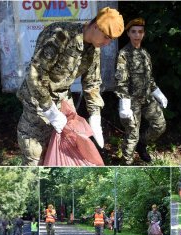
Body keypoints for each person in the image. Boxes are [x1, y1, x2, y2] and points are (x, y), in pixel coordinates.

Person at [16, 7, 124, 165]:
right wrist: (50, 111)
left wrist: (95, 116)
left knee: (71, 149)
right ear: (96, 26)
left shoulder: (94, 48)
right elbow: (35, 75)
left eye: (111, 40)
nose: (108, 43)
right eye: (107, 37)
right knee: (34, 154)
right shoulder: (60, 35)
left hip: (63, 101)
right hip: (38, 99)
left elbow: (92, 83)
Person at [115, 17, 167, 165]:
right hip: (131, 101)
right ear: (128, 34)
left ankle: (142, 144)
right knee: (132, 134)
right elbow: (121, 81)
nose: (137, 35)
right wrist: (124, 103)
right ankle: (127, 163)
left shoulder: (145, 53)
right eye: (134, 32)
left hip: (146, 98)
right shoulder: (124, 54)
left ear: (143, 34)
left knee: (160, 125)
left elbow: (149, 78)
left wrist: (157, 92)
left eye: (140, 32)